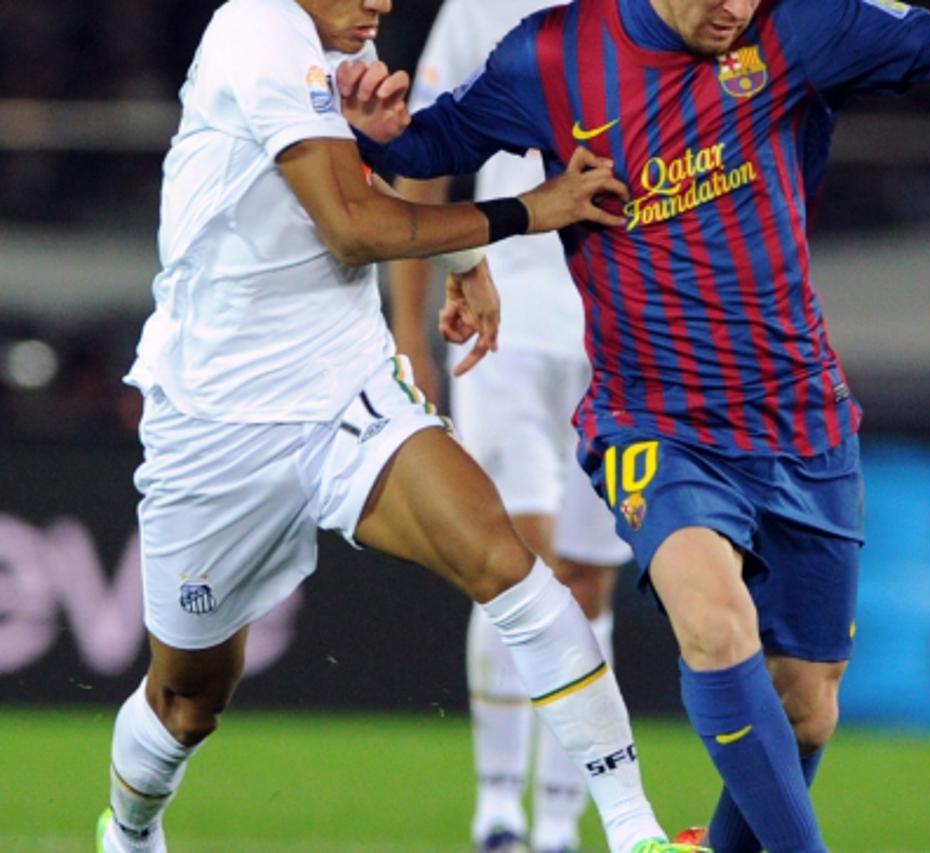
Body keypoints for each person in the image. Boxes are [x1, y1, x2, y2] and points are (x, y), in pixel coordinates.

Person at [341, 0, 930, 850]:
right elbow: (428, 147)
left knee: (807, 706)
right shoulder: (553, 53)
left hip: (800, 422)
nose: (735, 6)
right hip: (655, 419)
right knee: (712, 619)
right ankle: (519, 808)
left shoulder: (802, 29)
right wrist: (371, 132)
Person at [93, 1, 704, 852]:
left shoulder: (345, 35)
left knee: (509, 563)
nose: (381, 2)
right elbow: (351, 225)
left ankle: (633, 831)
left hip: (345, 387)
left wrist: (462, 261)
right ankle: (128, 831)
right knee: (190, 698)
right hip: (219, 421)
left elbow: (368, 179)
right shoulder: (257, 31)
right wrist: (530, 210)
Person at [389, 2, 632, 851]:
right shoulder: (478, 8)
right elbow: (421, 160)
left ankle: (562, 822)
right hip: (509, 324)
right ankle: (499, 811)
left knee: (588, 582)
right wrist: (405, 334)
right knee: (514, 561)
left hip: (621, 331)